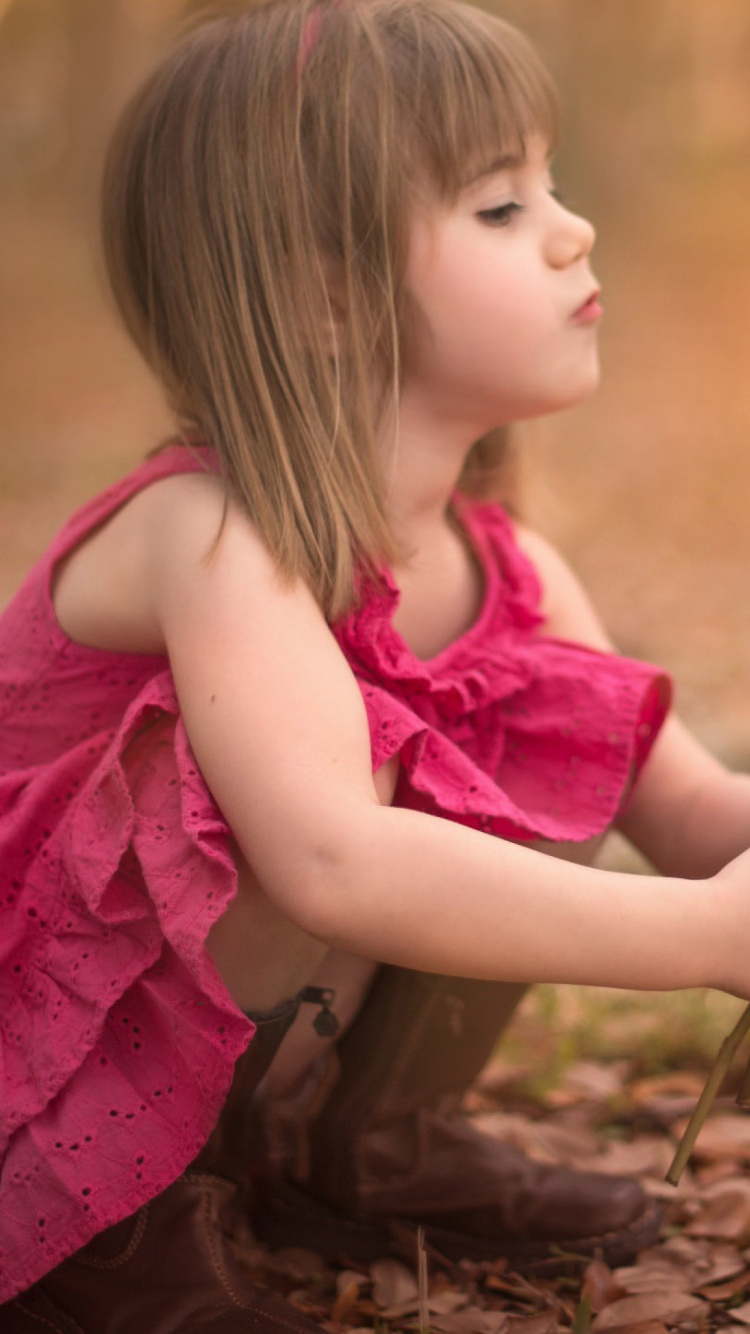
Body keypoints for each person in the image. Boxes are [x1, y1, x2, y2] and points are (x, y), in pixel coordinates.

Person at [3, 0, 750, 1329]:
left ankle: (360, 1143)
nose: (572, 227)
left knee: (552, 711)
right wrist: (701, 934)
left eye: (550, 182)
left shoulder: (497, 560)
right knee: (300, 786)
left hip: (233, 1045)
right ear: (324, 294)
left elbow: (686, 806)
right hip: (30, 1045)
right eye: (498, 207)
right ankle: (101, 1214)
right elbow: (328, 860)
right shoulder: (212, 529)